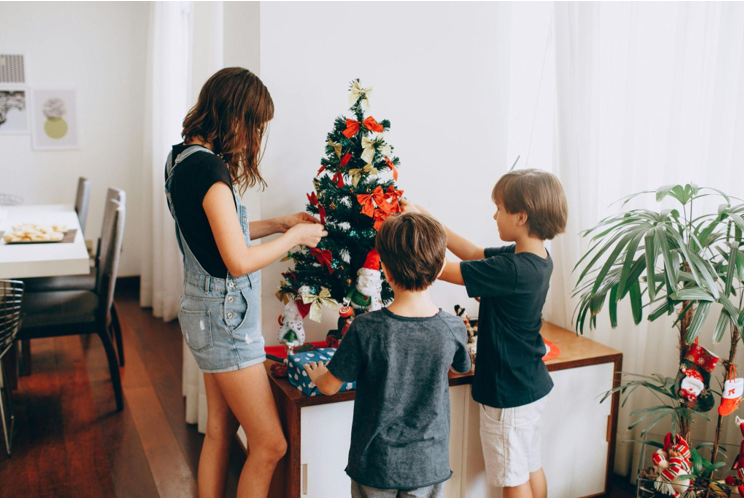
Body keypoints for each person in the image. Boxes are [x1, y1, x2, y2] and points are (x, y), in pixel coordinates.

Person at [164, 67, 326, 498]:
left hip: (204, 314)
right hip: (226, 323)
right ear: (235, 117)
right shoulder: (211, 172)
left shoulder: (181, 158)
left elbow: (218, 232)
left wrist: (279, 223)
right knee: (271, 445)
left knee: (220, 431)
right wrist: (294, 238)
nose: (254, 138)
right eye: (254, 126)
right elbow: (236, 261)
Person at [402, 169, 568, 498]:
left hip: (507, 392)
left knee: (513, 477)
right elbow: (474, 252)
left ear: (521, 216)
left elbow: (444, 270)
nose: (494, 215)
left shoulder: (513, 269)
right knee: (531, 465)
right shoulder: (534, 258)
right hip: (530, 384)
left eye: (500, 208)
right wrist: (425, 218)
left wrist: (408, 236)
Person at [304, 213, 472, 498]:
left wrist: (318, 374)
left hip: (376, 464)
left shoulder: (367, 327)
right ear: (441, 266)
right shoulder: (452, 326)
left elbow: (330, 386)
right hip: (427, 464)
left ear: (384, 269)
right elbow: (461, 369)